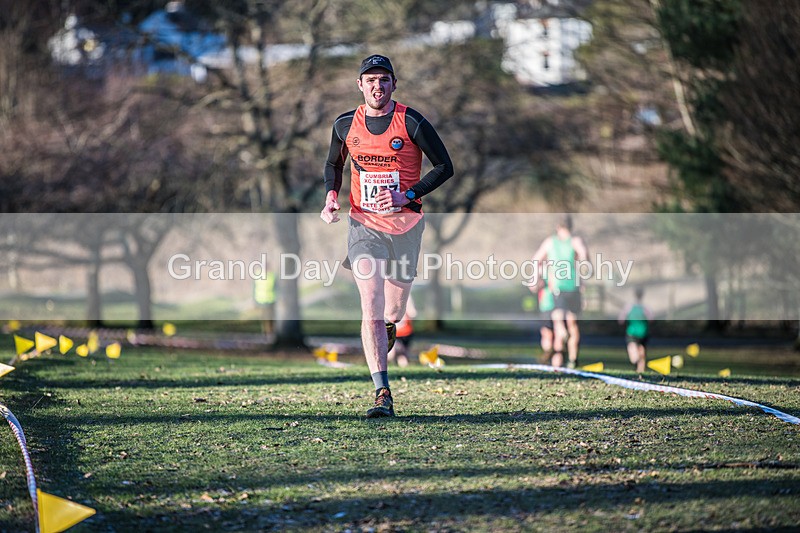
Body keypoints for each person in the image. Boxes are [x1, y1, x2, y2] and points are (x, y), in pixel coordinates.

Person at [321, 54, 453, 418]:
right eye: (370, 80)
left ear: (394, 84)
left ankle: (388, 328)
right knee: (371, 306)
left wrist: (406, 195)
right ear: (359, 85)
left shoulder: (411, 121)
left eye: (384, 79)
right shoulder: (345, 124)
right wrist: (331, 196)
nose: (377, 86)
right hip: (364, 226)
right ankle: (382, 392)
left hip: (406, 227)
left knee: (393, 310)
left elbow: (445, 166)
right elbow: (334, 163)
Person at [530, 215, 588, 368]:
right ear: (571, 226)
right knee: (573, 324)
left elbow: (536, 260)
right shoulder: (576, 241)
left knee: (558, 320)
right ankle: (573, 359)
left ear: (558, 227)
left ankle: (561, 333)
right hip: (574, 287)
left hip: (558, 287)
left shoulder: (550, 242)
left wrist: (534, 278)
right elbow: (584, 258)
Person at [618, 286, 652, 373]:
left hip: (632, 332)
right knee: (641, 350)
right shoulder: (645, 308)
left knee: (634, 357)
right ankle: (640, 370)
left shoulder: (629, 307)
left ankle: (639, 368)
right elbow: (651, 319)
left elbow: (621, 319)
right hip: (643, 333)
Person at [388, 294, 416, 367]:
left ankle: (403, 370)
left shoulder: (407, 298)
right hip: (396, 332)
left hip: (405, 332)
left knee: (402, 355)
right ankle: (388, 369)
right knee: (393, 353)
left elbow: (413, 314)